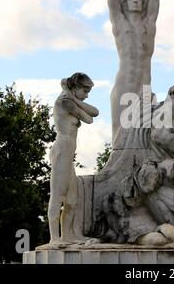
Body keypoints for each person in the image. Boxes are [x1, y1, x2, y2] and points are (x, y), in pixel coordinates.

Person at [47, 72, 99, 246]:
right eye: (84, 90)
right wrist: (73, 98)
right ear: (74, 87)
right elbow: (88, 118)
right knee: (57, 196)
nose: (86, 94)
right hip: (61, 151)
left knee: (72, 199)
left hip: (68, 155)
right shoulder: (64, 102)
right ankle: (54, 238)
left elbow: (96, 112)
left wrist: (76, 98)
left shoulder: (71, 100)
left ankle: (67, 236)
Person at [107, 0, 159, 145]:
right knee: (120, 134)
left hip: (145, 85)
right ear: (126, 3)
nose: (136, 1)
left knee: (143, 137)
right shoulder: (121, 24)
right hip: (125, 83)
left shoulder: (148, 25)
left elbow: (154, 0)